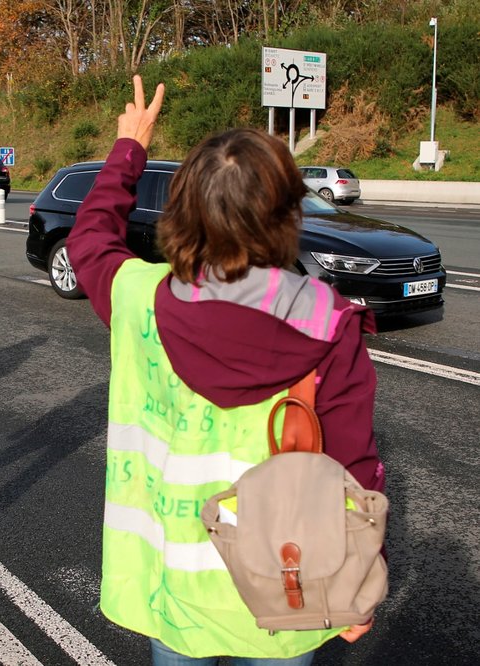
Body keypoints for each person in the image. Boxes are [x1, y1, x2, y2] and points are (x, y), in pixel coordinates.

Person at [66, 76, 385, 664]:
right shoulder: (329, 323)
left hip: (176, 592)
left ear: (183, 212)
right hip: (285, 596)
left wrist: (129, 148)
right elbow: (353, 466)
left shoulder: (140, 297)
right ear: (286, 216)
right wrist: (355, 583)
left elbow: (89, 239)